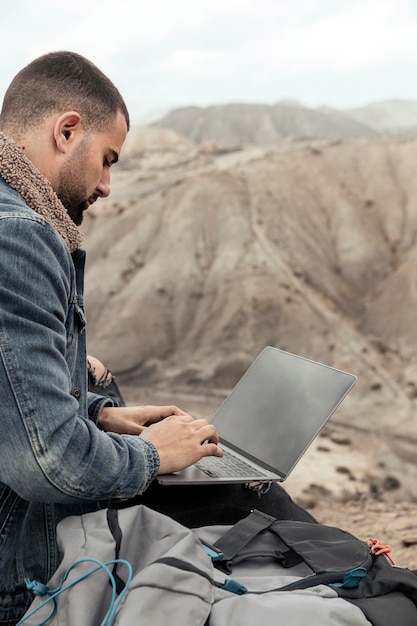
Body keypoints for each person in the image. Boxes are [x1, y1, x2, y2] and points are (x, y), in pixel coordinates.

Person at [0, 52, 313, 625]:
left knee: (236, 488)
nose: (107, 185)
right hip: (21, 571)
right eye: (106, 159)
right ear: (67, 131)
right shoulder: (19, 237)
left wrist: (96, 415)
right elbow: (46, 463)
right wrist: (153, 454)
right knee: (254, 501)